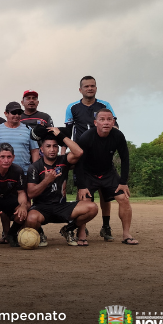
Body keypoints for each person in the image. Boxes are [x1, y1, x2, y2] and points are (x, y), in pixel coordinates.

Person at [64, 75, 118, 240]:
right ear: (80, 89)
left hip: (102, 153)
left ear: (96, 88)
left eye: (92, 86)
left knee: (105, 192)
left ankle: (106, 226)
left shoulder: (105, 105)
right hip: (82, 154)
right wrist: (62, 154)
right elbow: (67, 132)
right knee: (84, 191)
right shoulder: (72, 107)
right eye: (86, 86)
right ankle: (82, 226)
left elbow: (114, 126)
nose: (90, 88)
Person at [26, 126, 97, 246]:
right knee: (31, 219)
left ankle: (68, 229)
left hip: (62, 206)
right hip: (42, 208)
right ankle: (40, 232)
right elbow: (31, 193)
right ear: (41, 149)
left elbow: (79, 152)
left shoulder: (63, 160)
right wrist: (47, 180)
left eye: (55, 146)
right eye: (48, 146)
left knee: (92, 208)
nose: (52, 149)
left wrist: (60, 135)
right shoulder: (35, 167)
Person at [76, 109, 138, 245]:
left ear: (113, 122)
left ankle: (126, 234)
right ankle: (81, 233)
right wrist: (81, 185)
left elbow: (125, 159)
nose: (106, 122)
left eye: (109, 119)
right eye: (102, 119)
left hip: (108, 173)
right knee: (84, 201)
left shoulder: (118, 135)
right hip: (88, 173)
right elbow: (78, 163)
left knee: (124, 199)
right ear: (95, 122)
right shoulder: (86, 137)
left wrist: (123, 181)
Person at [0, 102, 40, 171]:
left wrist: (35, 170)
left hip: (24, 172)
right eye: (14, 113)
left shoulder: (28, 129)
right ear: (6, 113)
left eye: (19, 113)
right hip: (2, 174)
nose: (17, 115)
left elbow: (34, 151)